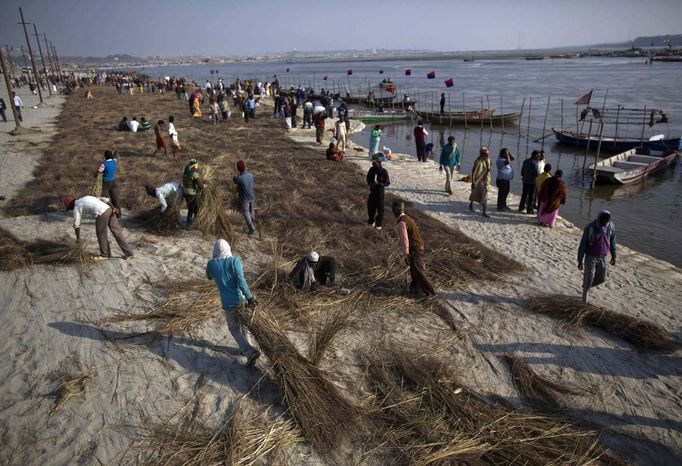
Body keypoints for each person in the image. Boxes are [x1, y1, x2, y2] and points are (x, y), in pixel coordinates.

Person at [206, 239, 260, 367]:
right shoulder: (234, 261)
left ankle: (249, 351)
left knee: (233, 328)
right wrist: (250, 298)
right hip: (240, 299)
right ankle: (247, 348)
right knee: (244, 326)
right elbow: (241, 282)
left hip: (228, 303)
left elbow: (208, 277)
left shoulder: (211, 264)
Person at [64, 195, 134, 260]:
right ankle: (129, 253)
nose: (71, 210)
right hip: (109, 209)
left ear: (71, 205)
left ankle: (105, 255)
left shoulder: (77, 206)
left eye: (70, 208)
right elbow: (104, 199)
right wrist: (113, 208)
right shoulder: (86, 197)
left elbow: (77, 224)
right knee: (117, 232)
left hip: (101, 214)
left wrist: (78, 238)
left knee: (101, 234)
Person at [392, 201, 435, 297]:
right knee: (414, 269)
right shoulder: (406, 218)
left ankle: (430, 292)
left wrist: (406, 254)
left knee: (418, 271)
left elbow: (404, 240)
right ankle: (414, 289)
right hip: (417, 246)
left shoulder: (402, 222)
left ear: (395, 210)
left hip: (415, 248)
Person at [578, 210, 616, 302]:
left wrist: (614, 256)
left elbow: (612, 242)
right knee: (589, 277)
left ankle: (586, 285)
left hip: (603, 257)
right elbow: (583, 244)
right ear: (599, 219)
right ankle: (585, 298)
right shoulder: (590, 228)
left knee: (601, 278)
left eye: (606, 222)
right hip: (590, 256)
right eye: (603, 221)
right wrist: (580, 260)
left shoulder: (611, 227)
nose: (604, 223)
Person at [233, 160, 256, 235]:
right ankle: (253, 223)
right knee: (251, 211)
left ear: (238, 168)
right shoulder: (251, 175)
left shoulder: (239, 178)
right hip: (252, 196)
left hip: (245, 198)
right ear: (245, 167)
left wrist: (235, 172)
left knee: (246, 213)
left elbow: (234, 179)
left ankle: (251, 228)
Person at [367, 155, 390, 229]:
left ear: (379, 163)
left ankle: (378, 224)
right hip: (373, 191)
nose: (373, 163)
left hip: (380, 192)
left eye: (374, 162)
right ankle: (371, 220)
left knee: (380, 209)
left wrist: (380, 184)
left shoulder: (383, 171)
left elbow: (387, 182)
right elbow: (368, 179)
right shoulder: (371, 169)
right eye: (372, 162)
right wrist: (371, 183)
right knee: (370, 206)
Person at [469, 147, 491, 217]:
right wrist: (474, 181)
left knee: (479, 194)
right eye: (487, 153)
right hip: (480, 181)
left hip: (484, 181)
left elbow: (489, 169)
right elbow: (475, 171)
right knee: (482, 195)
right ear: (484, 154)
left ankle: (471, 205)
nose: (488, 154)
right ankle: (484, 212)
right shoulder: (478, 161)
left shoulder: (487, 160)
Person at [182, 159, 203, 228]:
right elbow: (200, 185)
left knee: (195, 207)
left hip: (185, 193)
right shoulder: (194, 173)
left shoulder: (185, 172)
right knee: (192, 209)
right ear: (194, 165)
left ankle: (195, 222)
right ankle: (189, 225)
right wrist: (203, 186)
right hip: (191, 194)